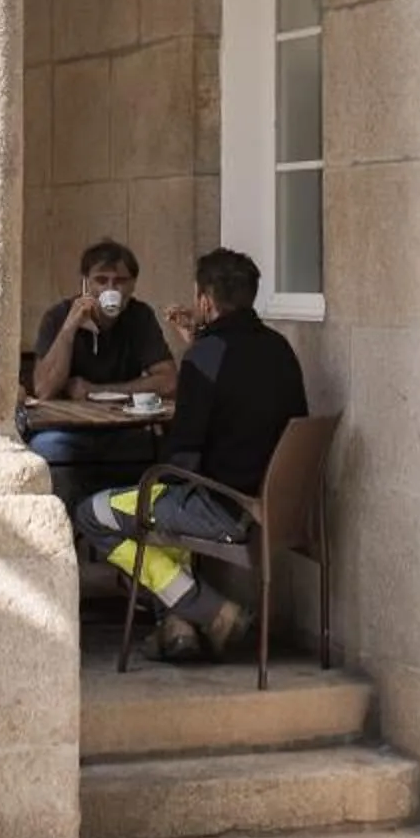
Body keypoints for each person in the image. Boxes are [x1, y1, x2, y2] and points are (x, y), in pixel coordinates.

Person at [77, 246, 307, 664]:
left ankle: (212, 611)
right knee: (166, 503)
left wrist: (195, 359)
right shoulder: (280, 349)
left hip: (223, 507)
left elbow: (184, 450)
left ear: (204, 300)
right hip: (277, 505)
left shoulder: (205, 357)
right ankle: (179, 627)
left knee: (95, 513)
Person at [25, 240, 177, 515]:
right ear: (85, 284)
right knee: (45, 450)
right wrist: (70, 328)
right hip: (67, 431)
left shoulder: (139, 317)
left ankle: (120, 530)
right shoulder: (59, 316)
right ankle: (66, 533)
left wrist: (98, 389)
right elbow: (44, 389)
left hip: (122, 430)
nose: (110, 289)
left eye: (120, 281)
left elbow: (167, 381)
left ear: (132, 285)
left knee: (163, 452)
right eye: (101, 281)